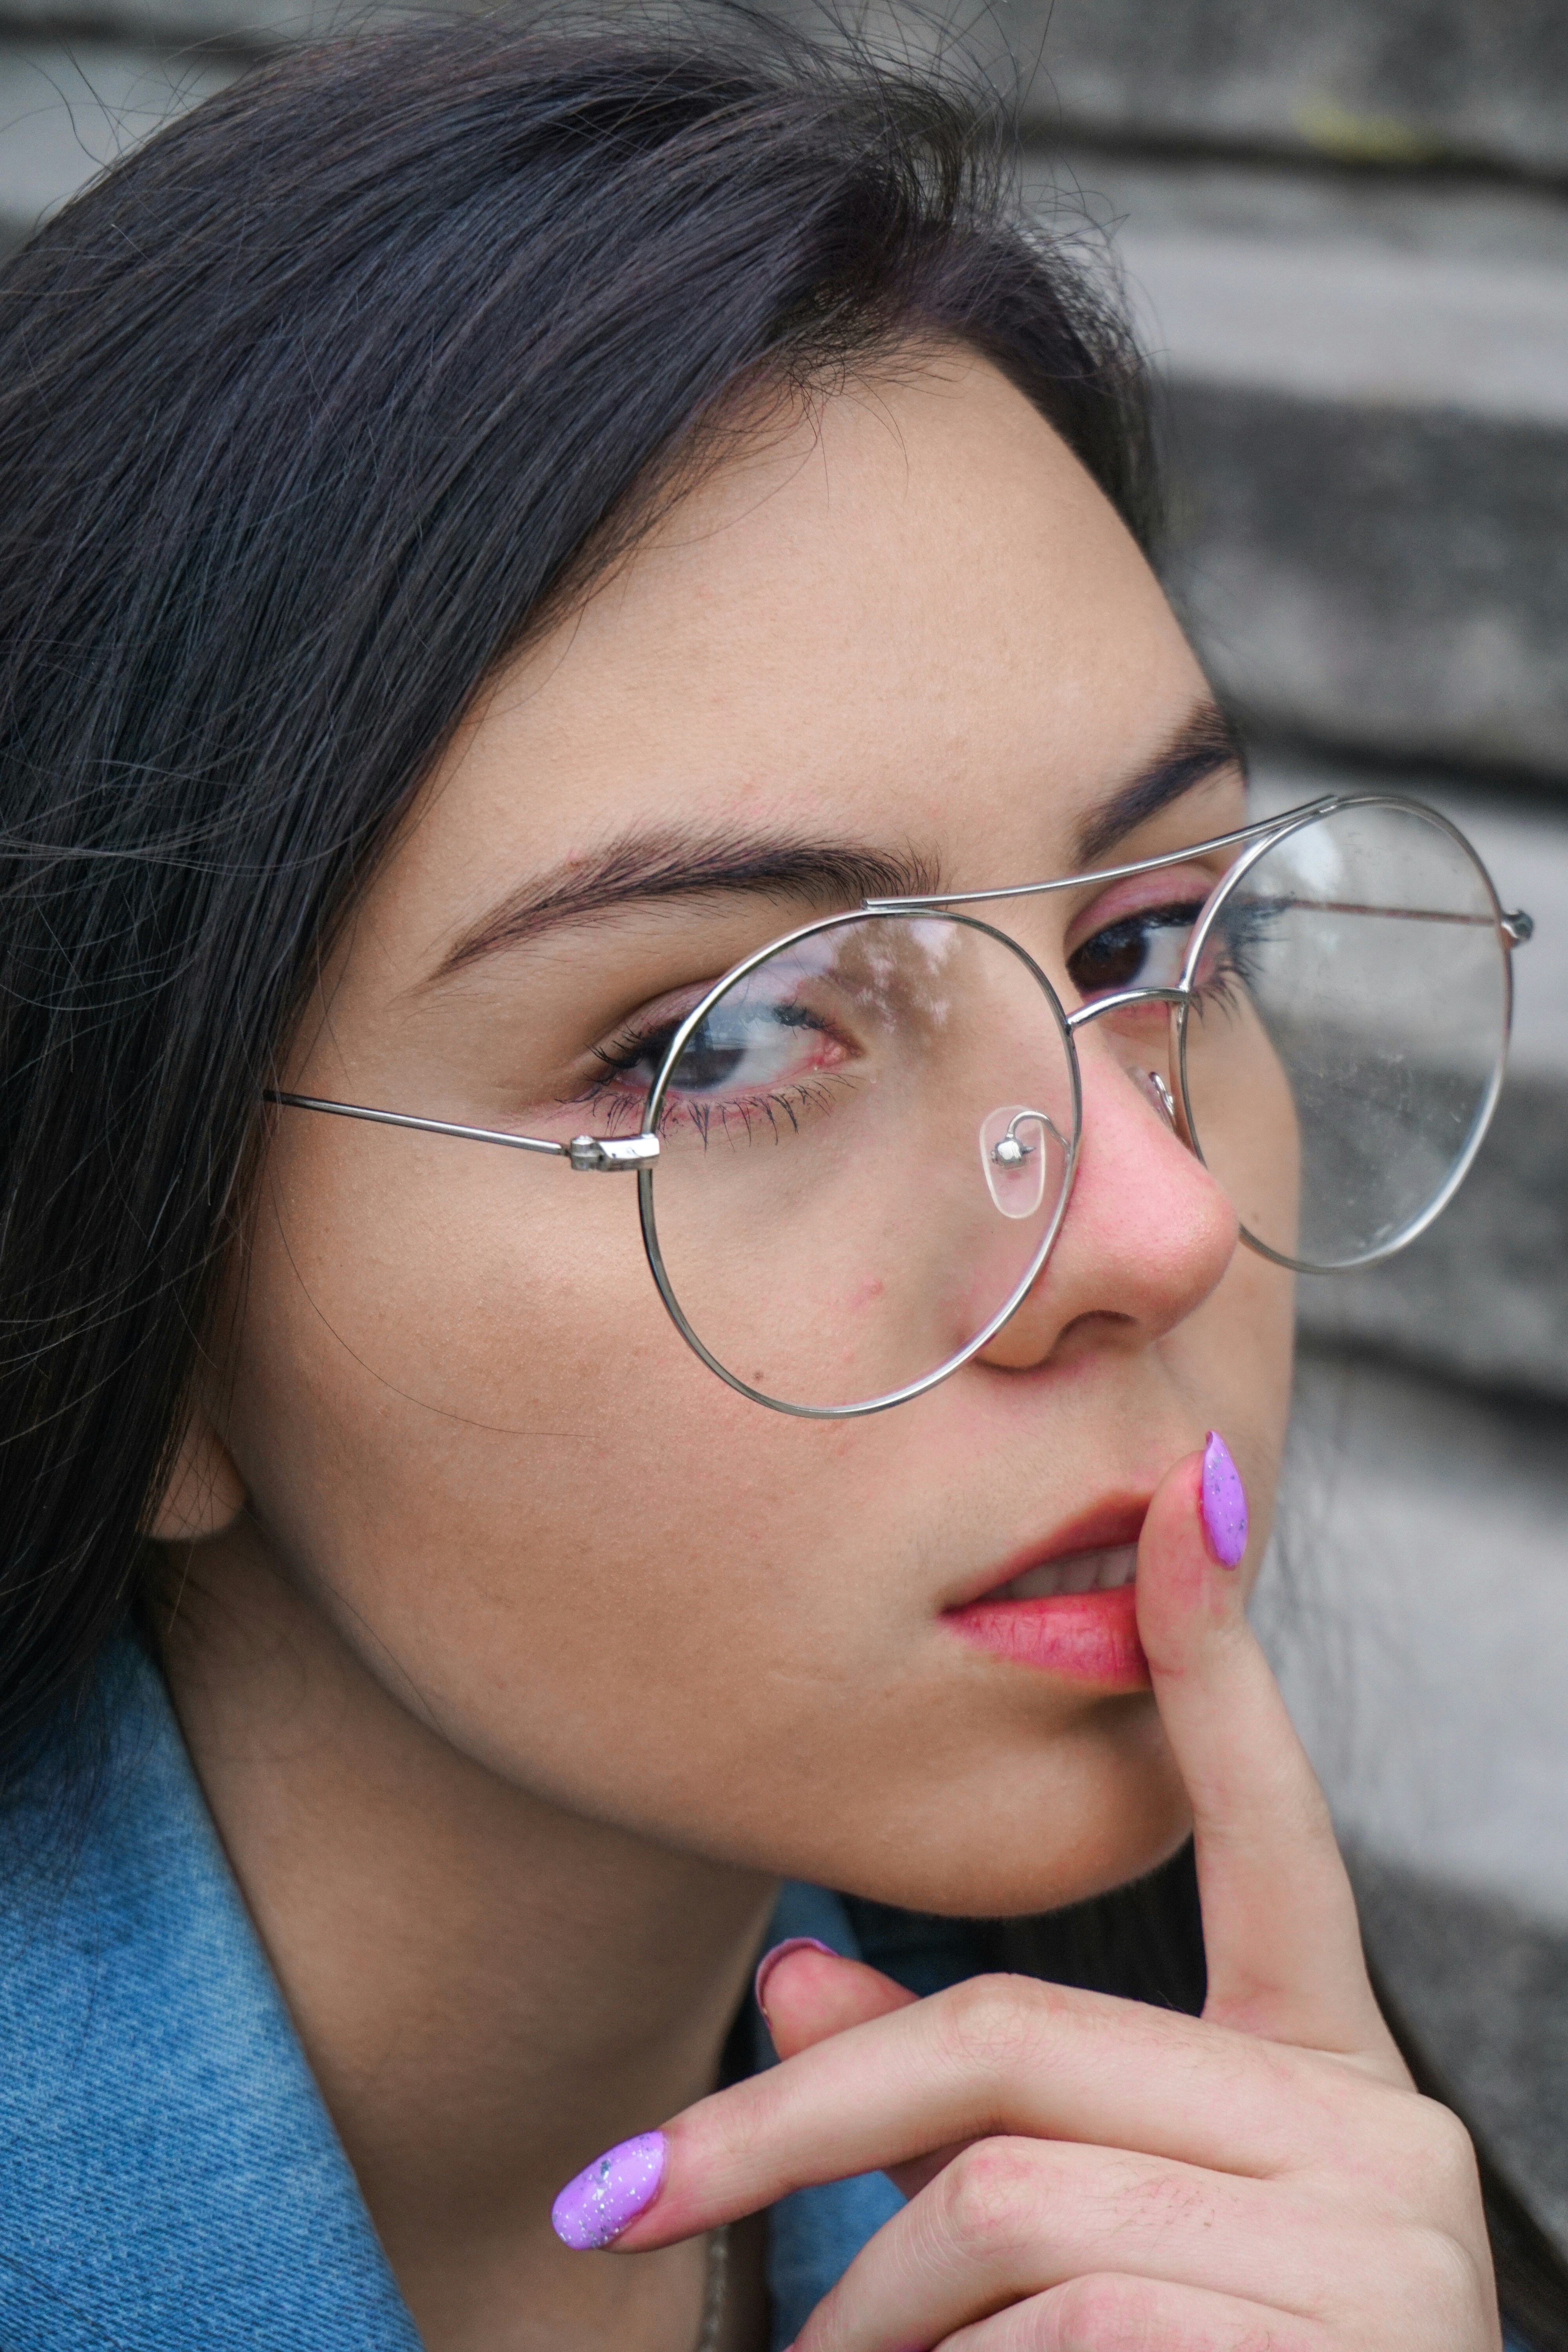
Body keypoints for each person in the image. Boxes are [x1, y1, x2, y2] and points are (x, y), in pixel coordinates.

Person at [0, 14, 1562, 2349]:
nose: (1150, 1224)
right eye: (726, 1040)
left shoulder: (1239, 2205)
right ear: (137, 1270)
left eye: (1147, 942)